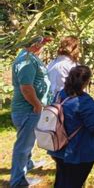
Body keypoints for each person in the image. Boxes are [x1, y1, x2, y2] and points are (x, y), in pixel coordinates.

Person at [49, 65, 94, 188]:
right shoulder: (84, 102)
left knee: (61, 181)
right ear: (86, 81)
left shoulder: (60, 95)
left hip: (58, 148)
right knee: (74, 183)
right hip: (78, 152)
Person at [10, 35, 52, 187]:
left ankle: (28, 165)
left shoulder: (29, 57)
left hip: (30, 109)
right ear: (35, 44)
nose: (43, 48)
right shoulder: (26, 61)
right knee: (23, 146)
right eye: (42, 44)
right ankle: (18, 181)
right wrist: (37, 105)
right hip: (28, 110)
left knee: (27, 142)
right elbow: (26, 88)